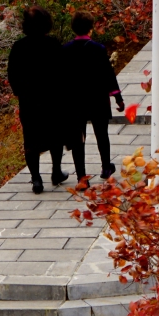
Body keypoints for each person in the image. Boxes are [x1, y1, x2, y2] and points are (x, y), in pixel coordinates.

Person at [60, 13, 125, 187]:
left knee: (77, 138)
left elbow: (62, 79)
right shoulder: (98, 48)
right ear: (90, 28)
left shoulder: (65, 50)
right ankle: (105, 168)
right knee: (101, 134)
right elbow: (108, 75)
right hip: (97, 98)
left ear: (73, 28)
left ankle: (82, 177)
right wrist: (118, 97)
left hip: (74, 101)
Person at [6, 7, 67, 194]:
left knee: (30, 139)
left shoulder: (19, 47)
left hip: (29, 100)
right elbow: (63, 72)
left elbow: (12, 73)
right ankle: (56, 172)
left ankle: (36, 178)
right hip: (52, 99)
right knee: (55, 136)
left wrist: (19, 92)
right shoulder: (53, 45)